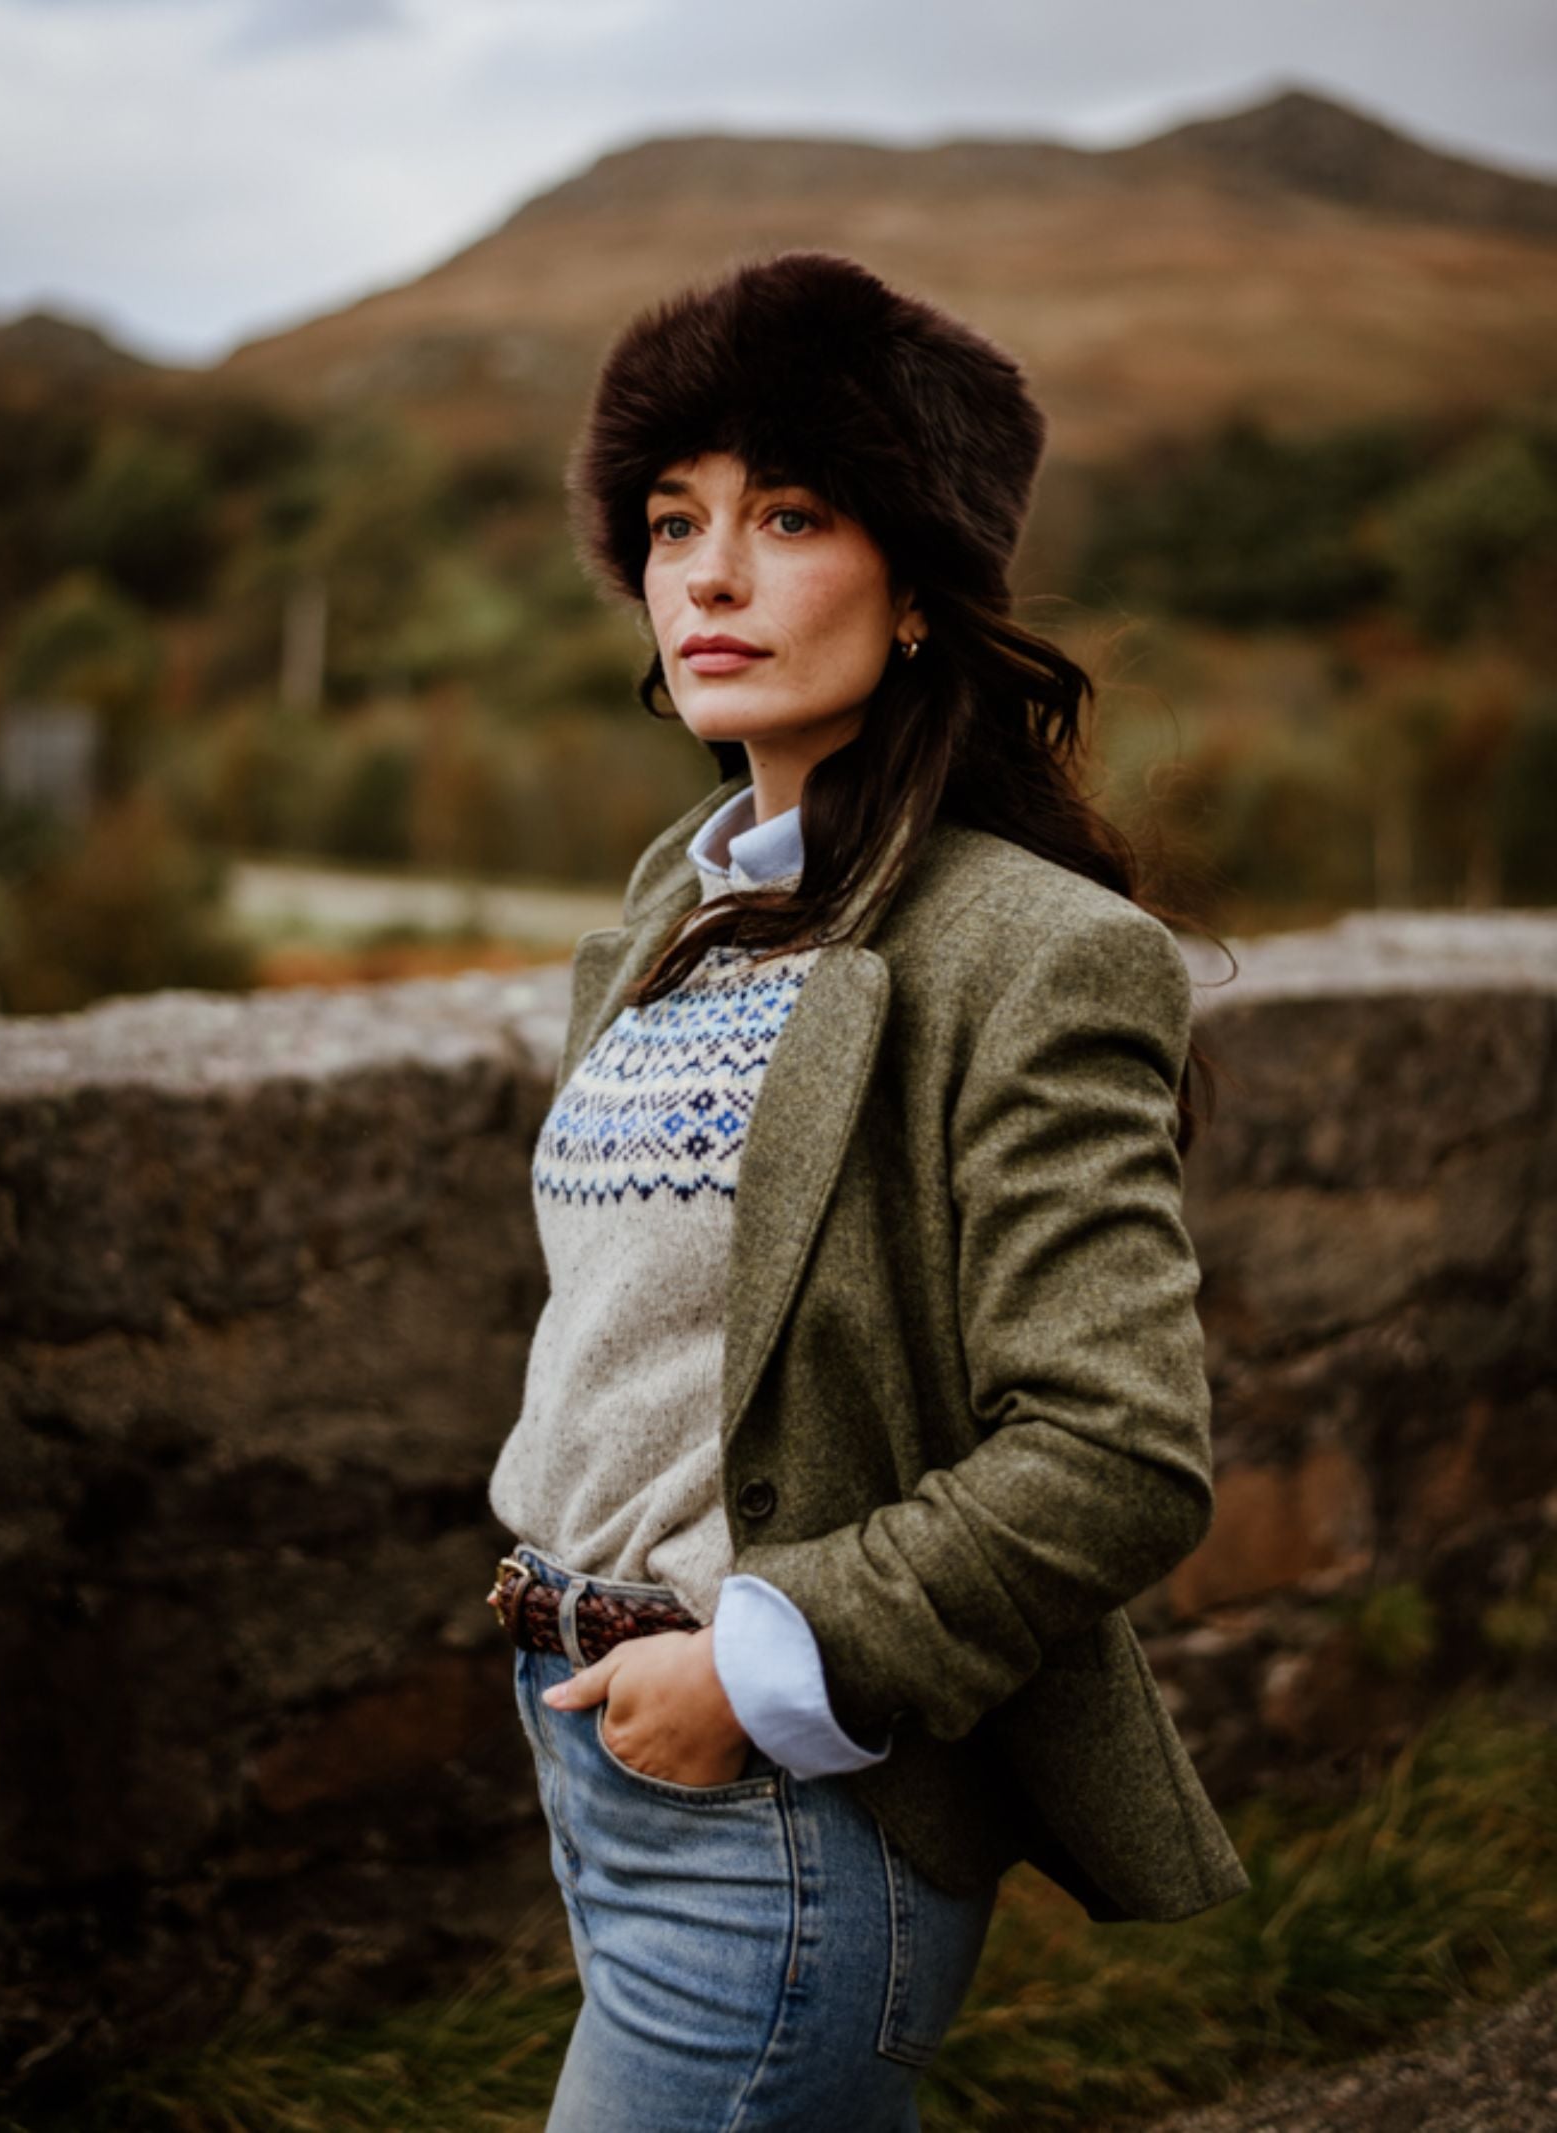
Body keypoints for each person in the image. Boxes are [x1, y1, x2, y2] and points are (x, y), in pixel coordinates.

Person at [487, 248, 1250, 2133]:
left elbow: (1117, 1444)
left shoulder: (1033, 951)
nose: (710, 575)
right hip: (586, 1741)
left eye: (791, 515)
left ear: (916, 591)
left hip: (787, 1797)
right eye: (674, 524)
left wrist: (758, 1662)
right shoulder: (675, 922)